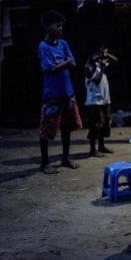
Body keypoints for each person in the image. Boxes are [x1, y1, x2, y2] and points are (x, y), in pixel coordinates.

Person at [38, 11, 82, 174]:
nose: (60, 28)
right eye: (57, 25)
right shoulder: (43, 47)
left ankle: (65, 157)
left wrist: (61, 63)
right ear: (47, 27)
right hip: (52, 94)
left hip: (67, 92)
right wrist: (65, 62)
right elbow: (50, 68)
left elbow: (73, 63)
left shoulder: (63, 43)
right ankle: (44, 162)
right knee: (47, 129)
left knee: (67, 127)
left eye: (61, 25)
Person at [83, 40, 116, 157]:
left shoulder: (97, 63)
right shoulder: (88, 66)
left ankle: (101, 146)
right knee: (97, 124)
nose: (101, 54)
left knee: (105, 122)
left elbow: (115, 60)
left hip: (105, 98)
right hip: (95, 100)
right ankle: (92, 149)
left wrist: (106, 55)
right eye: (99, 52)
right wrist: (102, 67)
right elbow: (96, 80)